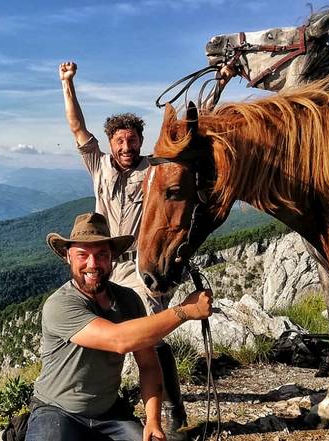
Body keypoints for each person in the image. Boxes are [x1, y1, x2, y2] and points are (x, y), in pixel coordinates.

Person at [59, 61, 189, 437]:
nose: (126, 146)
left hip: (142, 265)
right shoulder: (98, 164)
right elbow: (76, 127)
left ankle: (172, 411)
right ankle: (103, 401)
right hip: (103, 263)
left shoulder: (155, 170)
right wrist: (67, 84)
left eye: (132, 140)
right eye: (120, 141)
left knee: (147, 332)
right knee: (103, 330)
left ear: (140, 141)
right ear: (111, 142)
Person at [26, 212, 213, 441]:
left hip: (109, 413)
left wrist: (152, 421)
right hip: (57, 410)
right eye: (83, 255)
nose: (93, 264)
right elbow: (119, 340)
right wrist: (184, 311)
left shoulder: (128, 300)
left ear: (112, 257)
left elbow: (148, 365)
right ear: (68, 256)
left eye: (102, 255)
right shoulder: (60, 304)